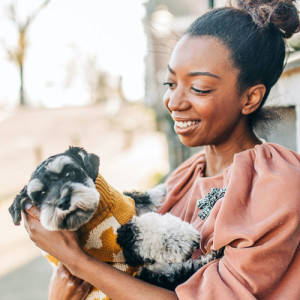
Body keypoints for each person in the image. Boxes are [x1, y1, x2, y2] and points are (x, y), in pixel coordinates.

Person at [24, 0, 300, 299]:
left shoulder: (275, 183)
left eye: (199, 88)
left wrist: (78, 263)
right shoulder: (184, 177)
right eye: (171, 83)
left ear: (250, 98)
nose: (174, 102)